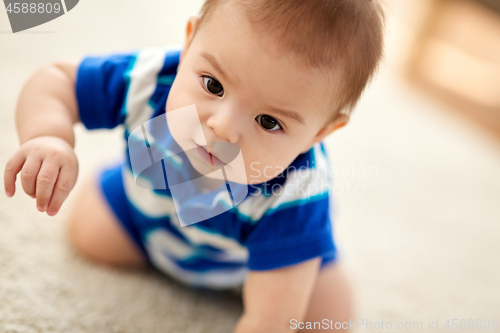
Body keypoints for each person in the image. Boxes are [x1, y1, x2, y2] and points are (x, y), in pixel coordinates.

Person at [4, 0, 385, 331]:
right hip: (144, 221)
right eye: (213, 85)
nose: (223, 127)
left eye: (269, 121)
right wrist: (50, 136)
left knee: (328, 317)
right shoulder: (149, 78)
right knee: (90, 235)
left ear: (320, 132)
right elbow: (57, 80)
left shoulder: (297, 191)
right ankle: (124, 203)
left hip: (258, 263)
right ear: (189, 42)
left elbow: (270, 324)